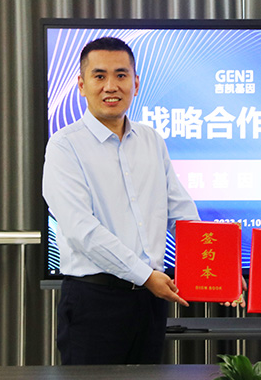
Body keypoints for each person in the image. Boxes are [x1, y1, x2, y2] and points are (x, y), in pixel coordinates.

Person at [42, 37, 201, 365]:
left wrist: (216, 267)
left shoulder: (151, 140)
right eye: (99, 76)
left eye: (121, 75)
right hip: (94, 302)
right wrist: (144, 275)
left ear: (136, 83)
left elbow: (180, 212)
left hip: (150, 303)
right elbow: (82, 230)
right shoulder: (64, 146)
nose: (111, 86)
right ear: (81, 85)